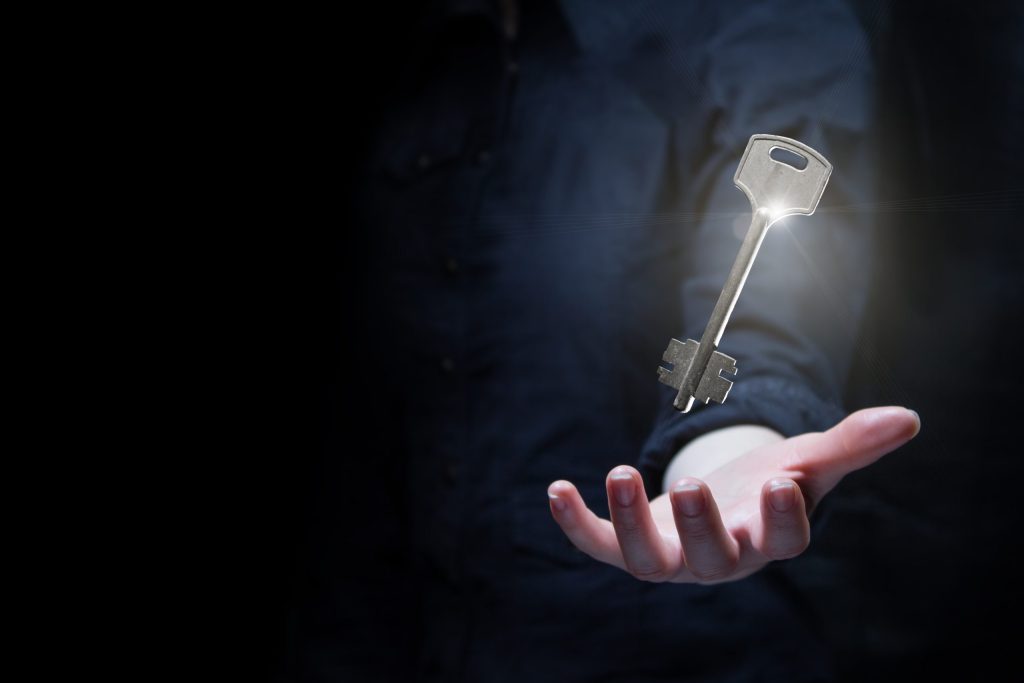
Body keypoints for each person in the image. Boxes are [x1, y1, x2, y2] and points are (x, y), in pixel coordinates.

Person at [295, 1, 920, 681]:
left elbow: (780, 275)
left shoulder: (766, 26)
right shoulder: (422, 61)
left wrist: (732, 438)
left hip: (683, 651)